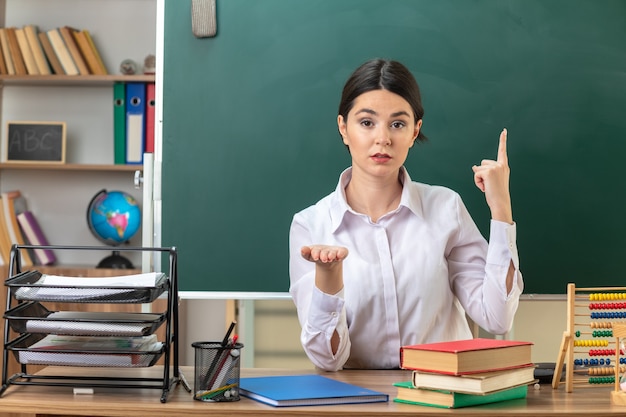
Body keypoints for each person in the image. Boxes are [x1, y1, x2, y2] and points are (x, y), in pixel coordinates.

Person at [288, 58, 524, 371]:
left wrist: (501, 208)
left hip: (441, 396)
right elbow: (327, 360)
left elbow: (496, 317)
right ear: (343, 128)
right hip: (359, 402)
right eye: (367, 122)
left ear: (415, 131)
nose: (383, 138)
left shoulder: (445, 208)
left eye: (397, 124)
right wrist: (329, 278)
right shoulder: (310, 226)